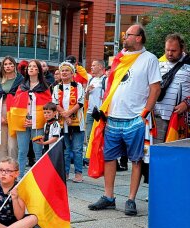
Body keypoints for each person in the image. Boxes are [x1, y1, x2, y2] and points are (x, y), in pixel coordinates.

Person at [88, 24, 161, 216]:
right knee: (109, 157)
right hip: (113, 117)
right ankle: (109, 197)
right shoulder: (119, 58)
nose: (124, 38)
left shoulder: (149, 59)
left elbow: (155, 88)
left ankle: (131, 199)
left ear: (138, 38)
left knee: (136, 160)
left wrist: (144, 113)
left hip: (135, 118)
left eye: (128, 35)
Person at [10, 60, 51, 179]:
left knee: (38, 151)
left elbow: (47, 106)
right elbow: (15, 105)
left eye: (34, 67)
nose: (31, 68)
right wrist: (23, 118)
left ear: (39, 70)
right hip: (23, 122)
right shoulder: (21, 86)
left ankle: (39, 178)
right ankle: (19, 177)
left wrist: (35, 119)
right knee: (22, 151)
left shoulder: (44, 87)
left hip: (38, 123)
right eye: (29, 67)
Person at [154, 33, 190, 143]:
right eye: (167, 50)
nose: (169, 53)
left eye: (173, 51)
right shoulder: (158, 64)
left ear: (182, 48)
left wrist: (187, 103)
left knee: (178, 154)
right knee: (158, 153)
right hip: (158, 118)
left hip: (181, 119)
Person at [56, 62, 85, 183]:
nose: (64, 73)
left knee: (77, 149)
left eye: (66, 70)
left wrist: (69, 114)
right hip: (63, 122)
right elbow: (55, 103)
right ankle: (66, 172)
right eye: (62, 71)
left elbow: (80, 102)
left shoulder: (78, 86)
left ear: (72, 73)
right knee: (65, 149)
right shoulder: (56, 87)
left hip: (77, 121)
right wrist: (65, 115)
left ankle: (78, 173)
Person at [0, 56, 23, 162]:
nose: (8, 66)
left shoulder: (20, 80)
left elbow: (22, 98)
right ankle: (2, 168)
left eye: (10, 64)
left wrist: (11, 116)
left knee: (12, 145)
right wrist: (0, 116)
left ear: (14, 66)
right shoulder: (0, 81)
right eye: (5, 64)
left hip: (15, 112)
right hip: (1, 112)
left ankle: (12, 169)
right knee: (1, 144)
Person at [85, 60, 107, 140]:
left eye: (94, 65)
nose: (91, 67)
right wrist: (87, 91)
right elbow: (86, 98)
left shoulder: (105, 79)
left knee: (99, 138)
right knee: (89, 138)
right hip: (90, 112)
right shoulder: (91, 80)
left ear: (100, 67)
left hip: (100, 113)